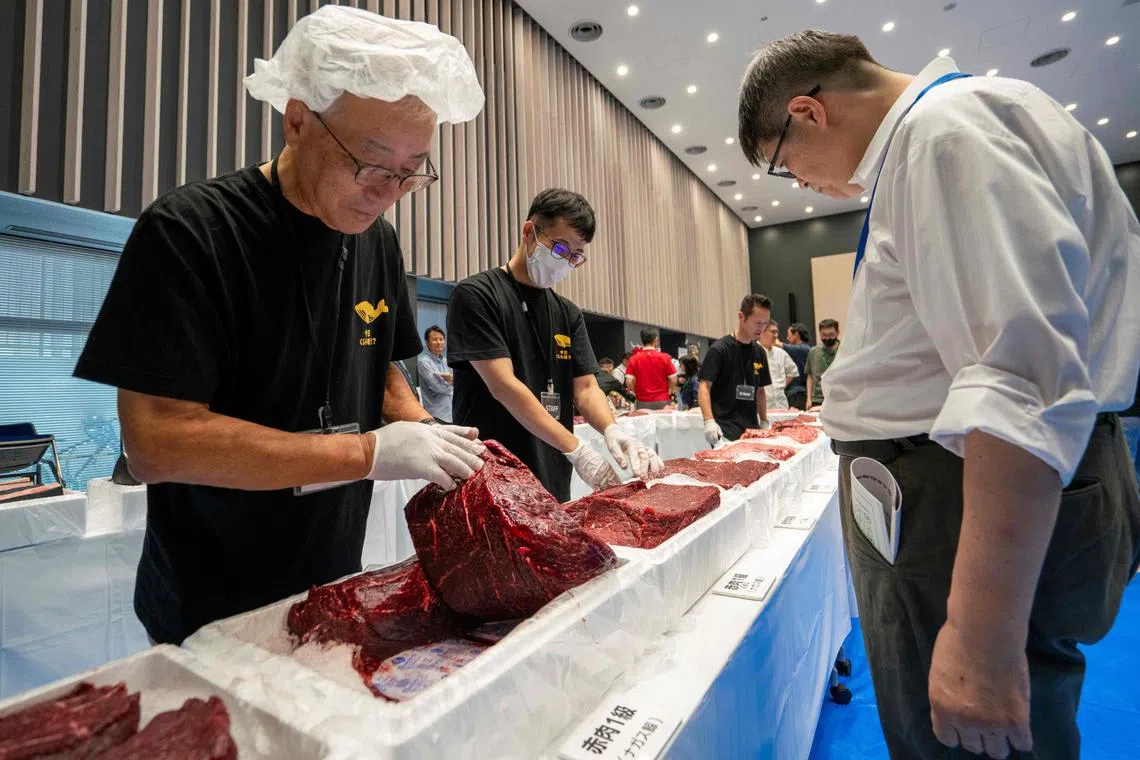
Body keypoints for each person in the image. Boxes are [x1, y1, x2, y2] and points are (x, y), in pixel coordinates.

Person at [739, 29, 1140, 760]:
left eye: (785, 165)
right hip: (944, 490)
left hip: (955, 500)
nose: (802, 185)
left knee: (968, 733)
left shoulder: (946, 136)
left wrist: (982, 636)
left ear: (808, 112)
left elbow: (1018, 383)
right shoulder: (950, 135)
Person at [70, 7, 489, 645]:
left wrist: (441, 441)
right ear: (297, 121)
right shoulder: (192, 233)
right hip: (210, 598)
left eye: (413, 171)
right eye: (373, 164)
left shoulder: (378, 242)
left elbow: (383, 382)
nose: (389, 190)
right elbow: (156, 442)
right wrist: (367, 453)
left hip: (330, 578)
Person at [446, 189, 662, 502]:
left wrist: (612, 430)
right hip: (491, 472)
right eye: (560, 248)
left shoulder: (567, 312)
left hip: (551, 471)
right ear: (529, 232)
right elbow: (503, 385)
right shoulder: (477, 294)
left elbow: (586, 388)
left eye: (575, 256)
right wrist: (577, 448)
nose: (566, 262)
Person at [698, 294, 774, 445]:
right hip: (724, 430)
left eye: (765, 323)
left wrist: (764, 420)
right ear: (741, 316)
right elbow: (704, 386)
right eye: (757, 322)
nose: (761, 328)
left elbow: (760, 391)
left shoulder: (759, 352)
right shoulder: (720, 349)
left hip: (752, 431)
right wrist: (709, 421)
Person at [625, 329, 679, 410]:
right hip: (662, 400)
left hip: (642, 401)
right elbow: (674, 380)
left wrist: (636, 390)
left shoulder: (634, 359)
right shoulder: (664, 357)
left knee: (644, 422)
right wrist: (670, 391)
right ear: (655, 340)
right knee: (663, 422)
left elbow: (628, 382)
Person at [759, 320, 799, 410]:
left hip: (780, 402)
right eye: (773, 332)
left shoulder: (781, 353)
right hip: (762, 402)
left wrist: (780, 384)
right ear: (762, 332)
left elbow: (793, 371)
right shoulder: (753, 351)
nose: (776, 335)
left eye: (777, 332)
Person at [417, 325, 453, 422]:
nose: (438, 342)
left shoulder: (446, 361)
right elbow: (437, 388)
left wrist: (452, 381)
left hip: (450, 413)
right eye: (434, 340)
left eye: (441, 339)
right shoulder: (424, 362)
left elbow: (451, 380)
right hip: (436, 415)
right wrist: (453, 382)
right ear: (427, 343)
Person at [805, 318, 840, 411]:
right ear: (819, 334)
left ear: (837, 332)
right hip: (818, 399)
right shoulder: (813, 352)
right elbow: (810, 376)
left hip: (839, 399)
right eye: (824, 335)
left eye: (831, 335)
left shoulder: (844, 351)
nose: (827, 338)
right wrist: (808, 399)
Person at [783, 322, 811, 410]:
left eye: (789, 335)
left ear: (796, 334)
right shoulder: (796, 350)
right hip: (793, 393)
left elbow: (780, 345)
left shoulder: (804, 349)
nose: (787, 338)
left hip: (799, 393)